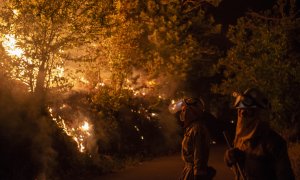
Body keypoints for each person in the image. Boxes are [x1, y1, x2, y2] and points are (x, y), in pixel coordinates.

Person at [224, 88, 295, 180]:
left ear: (260, 114)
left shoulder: (274, 143)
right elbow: (234, 166)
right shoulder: (240, 139)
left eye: (248, 111)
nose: (243, 115)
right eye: (240, 111)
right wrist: (229, 157)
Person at [169, 97, 216, 180]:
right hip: (188, 170)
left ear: (192, 112)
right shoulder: (191, 128)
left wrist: (198, 174)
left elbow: (199, 154)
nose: (182, 113)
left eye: (184, 110)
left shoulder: (197, 129)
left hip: (193, 173)